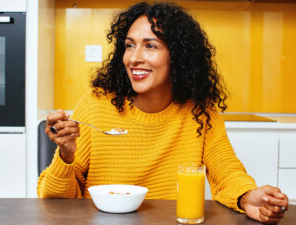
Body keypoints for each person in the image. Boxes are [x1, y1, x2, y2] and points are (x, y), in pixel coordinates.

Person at [38, 2, 289, 224]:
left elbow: (227, 172)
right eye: (129, 45)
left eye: (150, 46)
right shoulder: (96, 105)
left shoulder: (200, 111)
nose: (134, 58)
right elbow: (54, 199)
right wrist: (66, 155)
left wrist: (246, 197)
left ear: (177, 57)